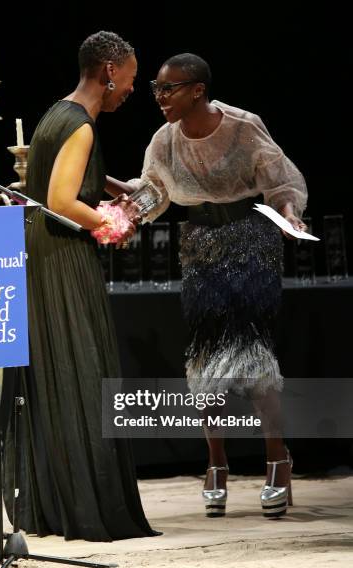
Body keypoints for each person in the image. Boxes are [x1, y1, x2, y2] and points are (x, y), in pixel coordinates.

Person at [107, 53, 308, 519]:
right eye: (156, 89)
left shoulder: (242, 126)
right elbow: (153, 192)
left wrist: (289, 212)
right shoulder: (165, 139)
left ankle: (277, 460)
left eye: (168, 89)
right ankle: (216, 463)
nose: (159, 98)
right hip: (200, 246)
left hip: (250, 242)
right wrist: (121, 205)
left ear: (197, 89)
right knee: (207, 361)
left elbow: (281, 180)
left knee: (254, 355)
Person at [3, 31, 157, 541]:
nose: (131, 90)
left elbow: (57, 177)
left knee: (62, 372)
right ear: (109, 71)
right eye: (130, 80)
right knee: (83, 371)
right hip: (64, 258)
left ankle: (54, 502)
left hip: (43, 255)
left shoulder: (58, 114)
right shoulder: (82, 127)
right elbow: (62, 200)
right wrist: (112, 223)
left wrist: (114, 187)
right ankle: (89, 507)